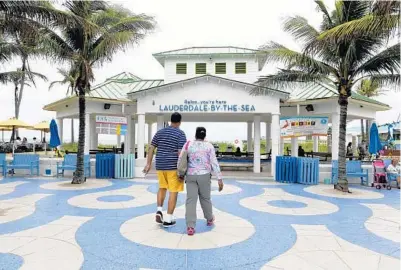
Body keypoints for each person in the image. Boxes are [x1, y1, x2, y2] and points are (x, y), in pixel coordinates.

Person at [143, 112, 187, 228]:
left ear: (171, 120)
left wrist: (148, 164)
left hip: (160, 165)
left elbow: (151, 147)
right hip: (172, 166)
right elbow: (180, 153)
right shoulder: (180, 134)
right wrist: (182, 170)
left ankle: (159, 210)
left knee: (162, 187)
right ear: (179, 122)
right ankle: (168, 218)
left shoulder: (160, 132)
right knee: (173, 191)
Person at [178, 127, 224, 236]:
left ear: (195, 135)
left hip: (191, 176)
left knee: (191, 200)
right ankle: (209, 219)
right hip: (204, 176)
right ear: (204, 135)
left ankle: (190, 226)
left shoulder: (188, 144)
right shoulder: (209, 146)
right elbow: (214, 162)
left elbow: (180, 159)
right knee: (205, 199)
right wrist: (219, 178)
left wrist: (180, 174)